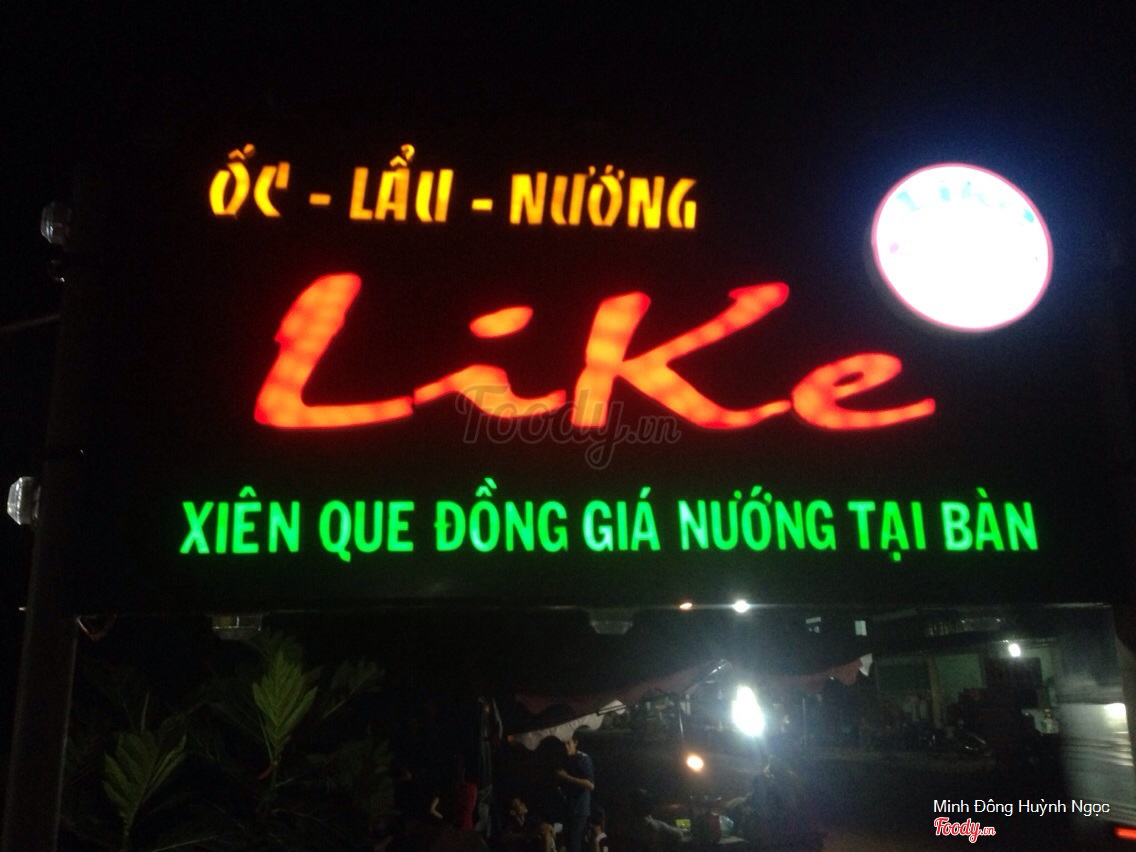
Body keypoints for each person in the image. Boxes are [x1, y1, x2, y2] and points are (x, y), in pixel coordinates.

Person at [558, 727, 596, 852]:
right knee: (566, 843)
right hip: (567, 807)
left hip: (579, 809)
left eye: (568, 743)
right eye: (563, 744)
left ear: (575, 743)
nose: (566, 747)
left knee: (574, 844)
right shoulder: (565, 759)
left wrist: (566, 777)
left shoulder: (583, 759)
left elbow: (590, 785)